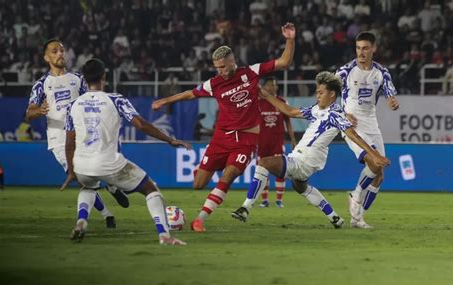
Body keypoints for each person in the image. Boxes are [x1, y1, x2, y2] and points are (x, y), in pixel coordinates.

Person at [152, 23, 296, 232]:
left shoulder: (251, 73)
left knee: (228, 176)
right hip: (221, 138)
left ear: (232, 61)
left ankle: (199, 219)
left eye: (223, 66)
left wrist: (290, 39)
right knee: (198, 184)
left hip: (246, 140)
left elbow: (284, 61)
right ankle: (203, 169)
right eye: (217, 68)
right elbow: (190, 93)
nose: (220, 71)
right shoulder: (214, 83)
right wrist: (165, 101)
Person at [231, 72, 390, 227]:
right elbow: (290, 111)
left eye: (321, 92)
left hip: (304, 160)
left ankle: (245, 208)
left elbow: (353, 134)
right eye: (316, 92)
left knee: (264, 162)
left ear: (332, 94)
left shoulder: (335, 114)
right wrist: (266, 94)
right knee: (300, 186)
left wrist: (374, 154)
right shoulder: (316, 109)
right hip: (303, 159)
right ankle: (334, 217)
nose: (317, 95)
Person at [62, 58, 191, 245]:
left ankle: (82, 220)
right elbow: (142, 125)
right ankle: (165, 236)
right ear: (104, 76)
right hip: (108, 162)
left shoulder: (73, 105)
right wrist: (169, 139)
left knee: (88, 186)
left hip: (81, 164)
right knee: (150, 188)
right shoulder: (115, 100)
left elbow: (69, 141)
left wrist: (72, 171)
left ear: (84, 78)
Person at [26, 38, 129, 228]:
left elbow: (92, 98)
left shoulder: (77, 80)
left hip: (81, 135)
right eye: (55, 51)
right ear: (46, 57)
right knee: (83, 179)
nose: (60, 54)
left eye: (62, 50)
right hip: (58, 140)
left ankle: (112, 188)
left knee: (96, 170)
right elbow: (29, 112)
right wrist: (38, 110)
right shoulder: (41, 84)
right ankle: (106, 214)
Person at [335, 32, 400, 228]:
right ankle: (355, 195)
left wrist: (392, 101)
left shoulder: (381, 72)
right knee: (374, 162)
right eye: (358, 48)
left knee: (379, 175)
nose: (361, 52)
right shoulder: (345, 71)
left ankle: (358, 217)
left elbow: (390, 93)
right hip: (351, 125)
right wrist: (342, 114)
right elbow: (323, 93)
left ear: (374, 49)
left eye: (365, 48)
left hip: (372, 123)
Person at [257, 76, 296, 208]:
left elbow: (288, 123)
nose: (275, 87)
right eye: (271, 85)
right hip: (262, 142)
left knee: (281, 170)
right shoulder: (258, 103)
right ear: (264, 87)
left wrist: (292, 139)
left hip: (277, 142)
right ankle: (265, 200)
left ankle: (279, 200)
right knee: (263, 170)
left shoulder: (281, 102)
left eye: (275, 84)